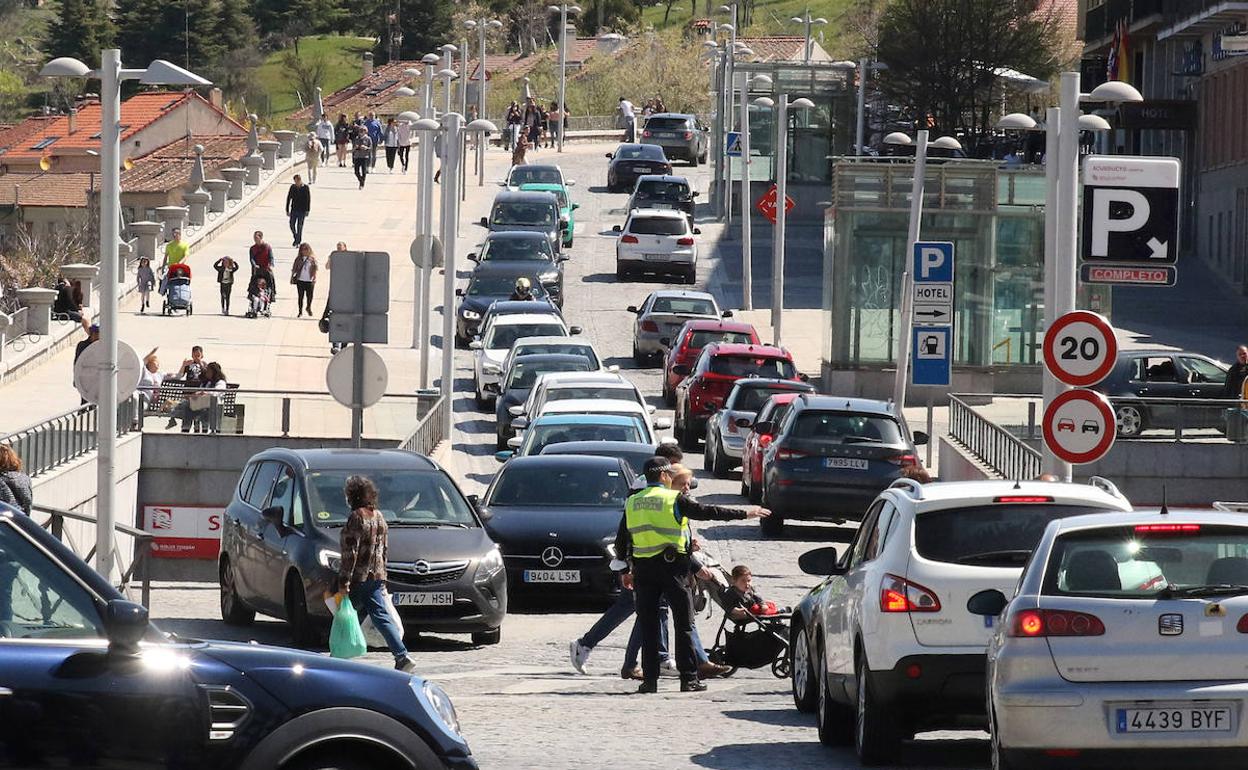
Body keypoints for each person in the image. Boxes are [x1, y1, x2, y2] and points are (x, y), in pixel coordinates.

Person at [623, 458, 769, 693]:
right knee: (685, 625)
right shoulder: (673, 500)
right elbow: (709, 511)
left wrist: (623, 570)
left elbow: (623, 539)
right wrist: (745, 514)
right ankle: (689, 678)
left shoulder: (633, 502)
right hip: (674, 570)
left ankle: (649, 682)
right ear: (663, 476)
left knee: (649, 626)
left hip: (644, 571)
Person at [336, 475, 417, 672]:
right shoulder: (379, 517)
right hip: (377, 576)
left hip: (359, 578)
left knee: (341, 612)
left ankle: (339, 655)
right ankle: (400, 655)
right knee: (377, 615)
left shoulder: (357, 517)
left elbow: (351, 553)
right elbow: (384, 549)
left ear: (352, 496)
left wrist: (344, 580)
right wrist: (383, 576)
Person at [0, 446, 32, 515]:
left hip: (9, 518)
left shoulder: (2, 481)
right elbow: (28, 503)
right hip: (23, 520)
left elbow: (8, 503)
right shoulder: (24, 478)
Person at [291, 243, 318, 318]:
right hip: (300, 280)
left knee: (310, 296)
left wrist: (315, 277)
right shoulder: (298, 259)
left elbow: (315, 268)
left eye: (306, 249)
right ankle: (300, 311)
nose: (305, 251)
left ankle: (308, 307)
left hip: (310, 280)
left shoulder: (312, 259)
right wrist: (292, 276)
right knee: (300, 296)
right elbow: (294, 268)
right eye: (303, 249)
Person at [249, 231, 276, 301]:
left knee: (271, 280)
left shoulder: (267, 247)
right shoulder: (252, 248)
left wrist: (271, 264)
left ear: (260, 237)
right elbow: (251, 259)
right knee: (253, 281)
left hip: (266, 268)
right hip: (257, 269)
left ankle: (272, 294)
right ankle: (251, 294)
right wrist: (255, 265)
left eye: (256, 237)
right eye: (254, 238)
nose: (255, 239)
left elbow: (271, 257)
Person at [286, 175, 311, 247]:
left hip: (302, 210)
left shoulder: (305, 188)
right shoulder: (292, 187)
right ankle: (296, 237)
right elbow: (289, 198)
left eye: (297, 181)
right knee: (291, 225)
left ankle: (298, 241)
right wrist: (287, 209)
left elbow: (308, 199)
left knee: (299, 226)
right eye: (295, 181)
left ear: (300, 180)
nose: (296, 182)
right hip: (294, 209)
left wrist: (307, 210)